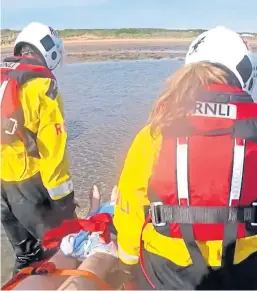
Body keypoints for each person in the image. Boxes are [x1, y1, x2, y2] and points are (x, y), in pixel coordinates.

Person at [113, 26, 257, 290]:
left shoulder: (155, 131)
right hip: (243, 264)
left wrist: (128, 261)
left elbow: (131, 205)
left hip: (167, 268)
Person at [1, 22, 76, 274]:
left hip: (2, 187)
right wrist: (64, 202)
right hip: (27, 185)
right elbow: (53, 152)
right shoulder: (43, 87)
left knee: (25, 255)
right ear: (50, 52)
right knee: (60, 252)